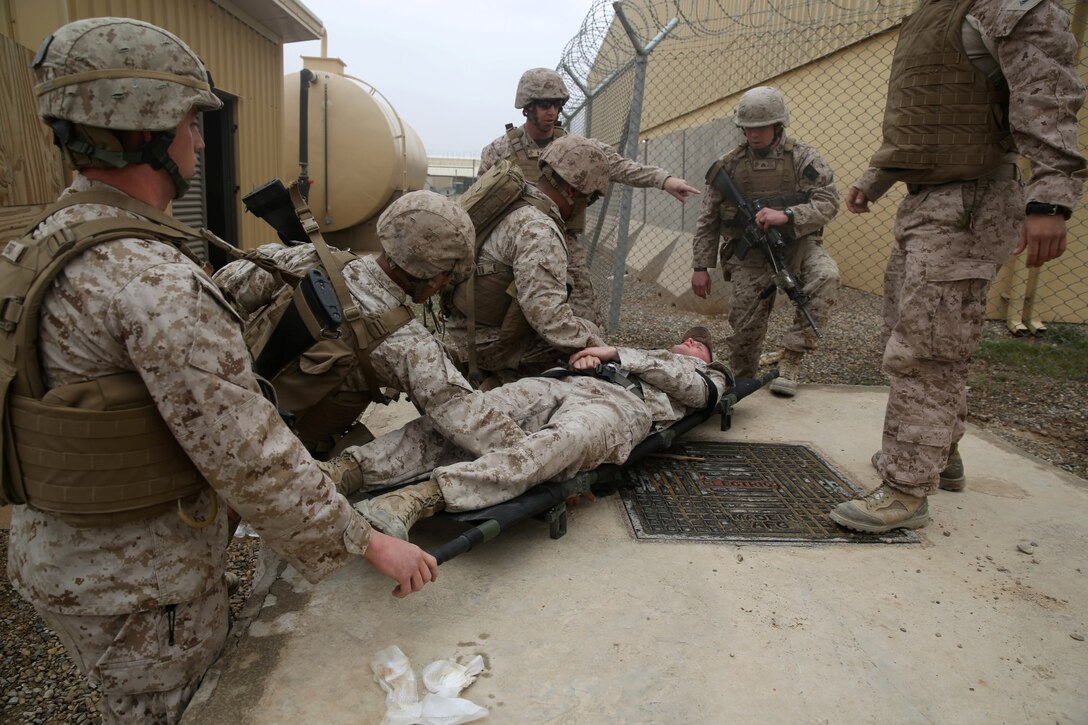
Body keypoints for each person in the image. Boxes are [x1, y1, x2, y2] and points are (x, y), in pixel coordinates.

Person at [2, 19, 436, 723]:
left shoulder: (38, 247)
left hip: (65, 553)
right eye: (188, 123)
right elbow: (248, 451)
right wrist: (367, 540)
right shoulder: (151, 280)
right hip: (140, 583)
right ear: (144, 128)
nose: (200, 142)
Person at [830, 0, 1086, 533]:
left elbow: (1048, 96)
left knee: (927, 349)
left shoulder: (1008, 7)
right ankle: (938, 454)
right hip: (925, 201)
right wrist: (876, 179)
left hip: (972, 199)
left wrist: (1051, 199)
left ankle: (906, 489)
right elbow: (923, 118)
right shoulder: (931, 15)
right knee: (912, 334)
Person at [214, 190, 531, 472]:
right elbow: (467, 418)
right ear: (435, 277)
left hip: (216, 408)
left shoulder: (307, 258)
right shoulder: (407, 344)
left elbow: (223, 291)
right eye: (447, 276)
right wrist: (533, 451)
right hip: (278, 459)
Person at [350, 327, 728, 540]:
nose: (693, 342)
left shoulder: (709, 375)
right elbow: (598, 357)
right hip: (564, 382)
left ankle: (421, 497)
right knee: (476, 410)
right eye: (689, 339)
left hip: (622, 406)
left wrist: (615, 353)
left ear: (708, 361)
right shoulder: (645, 350)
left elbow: (699, 394)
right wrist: (591, 358)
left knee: (562, 441)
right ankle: (353, 469)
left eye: (701, 346)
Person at [479, 67, 700, 325]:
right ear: (527, 107)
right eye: (545, 104)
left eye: (557, 104)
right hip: (516, 245)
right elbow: (482, 202)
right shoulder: (500, 151)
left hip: (565, 241)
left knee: (585, 314)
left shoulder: (575, 148)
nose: (552, 112)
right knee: (514, 312)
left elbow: (619, 166)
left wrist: (664, 180)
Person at [690, 86, 840, 397]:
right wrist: (700, 266)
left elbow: (828, 202)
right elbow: (708, 220)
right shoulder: (729, 166)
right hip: (751, 254)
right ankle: (741, 379)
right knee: (745, 325)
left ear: (778, 125)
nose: (753, 134)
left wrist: (788, 215)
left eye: (760, 127)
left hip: (798, 245)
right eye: (747, 128)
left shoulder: (803, 158)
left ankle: (791, 357)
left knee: (826, 276)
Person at [443, 135, 611, 383]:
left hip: (464, 326)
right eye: (589, 198)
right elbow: (548, 318)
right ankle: (503, 382)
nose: (585, 207)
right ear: (571, 190)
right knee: (590, 342)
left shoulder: (517, 199)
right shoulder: (540, 228)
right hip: (486, 344)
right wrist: (598, 346)